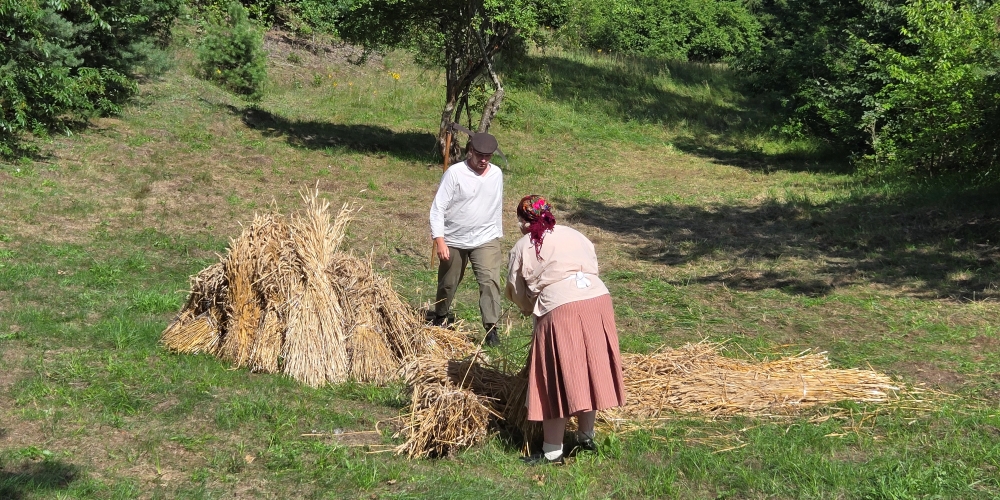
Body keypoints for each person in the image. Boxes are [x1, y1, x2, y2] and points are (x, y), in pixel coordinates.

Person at [505, 195, 626, 465]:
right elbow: (592, 265)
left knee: (555, 376)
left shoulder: (523, 245)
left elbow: (516, 288)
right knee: (588, 369)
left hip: (561, 307)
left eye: (520, 221)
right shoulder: (574, 234)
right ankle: (585, 437)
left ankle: (552, 452)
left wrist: (528, 308)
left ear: (525, 221)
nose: (520, 227)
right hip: (597, 299)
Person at [429, 132, 504, 346]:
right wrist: (440, 240)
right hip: (454, 239)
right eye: (480, 155)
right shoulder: (455, 174)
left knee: (489, 282)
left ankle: (491, 329)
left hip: (485, 238)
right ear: (470, 151)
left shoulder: (496, 174)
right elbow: (438, 208)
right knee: (448, 283)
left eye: (488, 156)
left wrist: (495, 232)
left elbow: (494, 205)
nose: (484, 160)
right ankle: (441, 316)